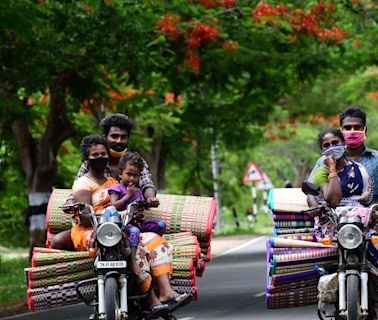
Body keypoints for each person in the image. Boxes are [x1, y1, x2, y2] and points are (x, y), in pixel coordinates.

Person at [53, 135, 191, 313]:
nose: (101, 157)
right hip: (94, 232)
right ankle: (151, 300)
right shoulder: (83, 183)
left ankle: (165, 291)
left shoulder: (113, 182)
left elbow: (130, 200)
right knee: (133, 246)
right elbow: (87, 217)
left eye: (104, 153)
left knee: (155, 240)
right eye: (95, 155)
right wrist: (120, 214)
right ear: (86, 160)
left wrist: (134, 213)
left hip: (119, 228)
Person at [74, 113, 160, 207]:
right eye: (114, 136)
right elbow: (79, 186)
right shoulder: (93, 162)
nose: (119, 141)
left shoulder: (136, 163)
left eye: (123, 137)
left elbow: (147, 184)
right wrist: (70, 200)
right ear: (105, 137)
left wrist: (150, 198)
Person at [108, 151, 166, 276]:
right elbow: (113, 206)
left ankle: (152, 247)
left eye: (136, 175)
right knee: (134, 232)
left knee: (161, 225)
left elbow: (140, 205)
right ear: (120, 173)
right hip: (125, 226)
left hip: (139, 224)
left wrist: (149, 203)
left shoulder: (138, 191)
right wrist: (127, 196)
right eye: (129, 174)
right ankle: (133, 261)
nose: (132, 179)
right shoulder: (116, 189)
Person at [310, 128, 372, 239]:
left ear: (343, 143)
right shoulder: (321, 173)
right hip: (333, 223)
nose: (332, 147)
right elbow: (334, 201)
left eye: (335, 143)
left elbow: (367, 199)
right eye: (326, 145)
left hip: (359, 222)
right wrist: (332, 168)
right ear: (322, 151)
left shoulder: (358, 169)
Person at [309, 107, 378, 204]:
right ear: (341, 131)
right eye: (347, 128)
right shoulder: (324, 161)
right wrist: (315, 207)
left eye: (357, 127)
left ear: (365, 130)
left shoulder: (376, 159)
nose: (352, 131)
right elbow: (312, 191)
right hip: (333, 216)